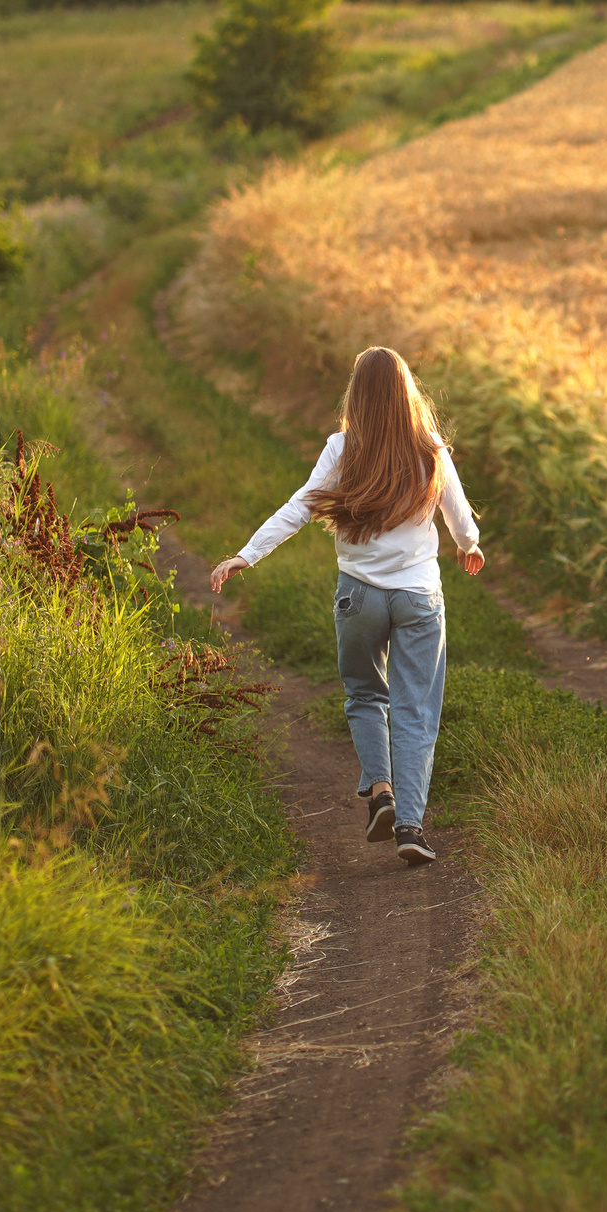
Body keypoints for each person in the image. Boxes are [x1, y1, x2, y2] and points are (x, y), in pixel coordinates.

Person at [211, 347, 481, 865]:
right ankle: (410, 826)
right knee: (416, 710)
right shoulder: (430, 448)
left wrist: (248, 554)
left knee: (364, 694)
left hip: (358, 596)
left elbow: (301, 505)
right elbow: (461, 519)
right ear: (407, 393)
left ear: (356, 395)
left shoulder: (342, 448)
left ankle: (381, 792)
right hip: (419, 598)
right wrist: (470, 546)